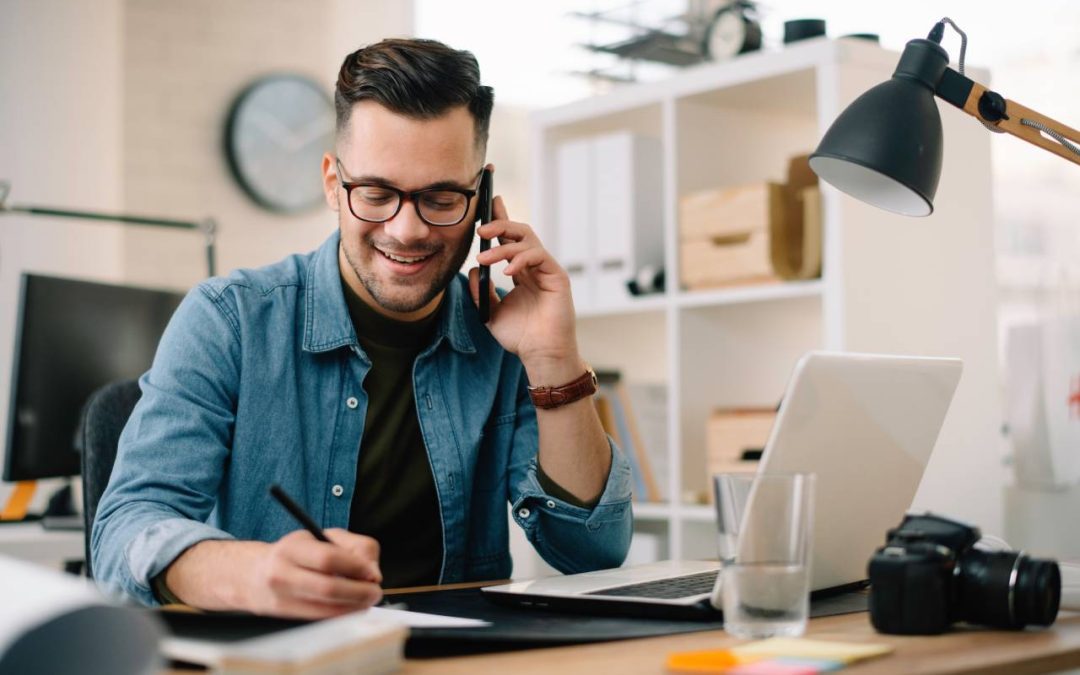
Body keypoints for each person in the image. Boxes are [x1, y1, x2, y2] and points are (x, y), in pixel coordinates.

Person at [92, 38, 632, 619]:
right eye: (376, 193)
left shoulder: (507, 334)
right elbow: (124, 534)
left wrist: (553, 359)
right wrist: (250, 574)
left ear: (480, 197)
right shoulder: (230, 320)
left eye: (440, 197)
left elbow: (593, 552)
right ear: (332, 183)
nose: (406, 230)